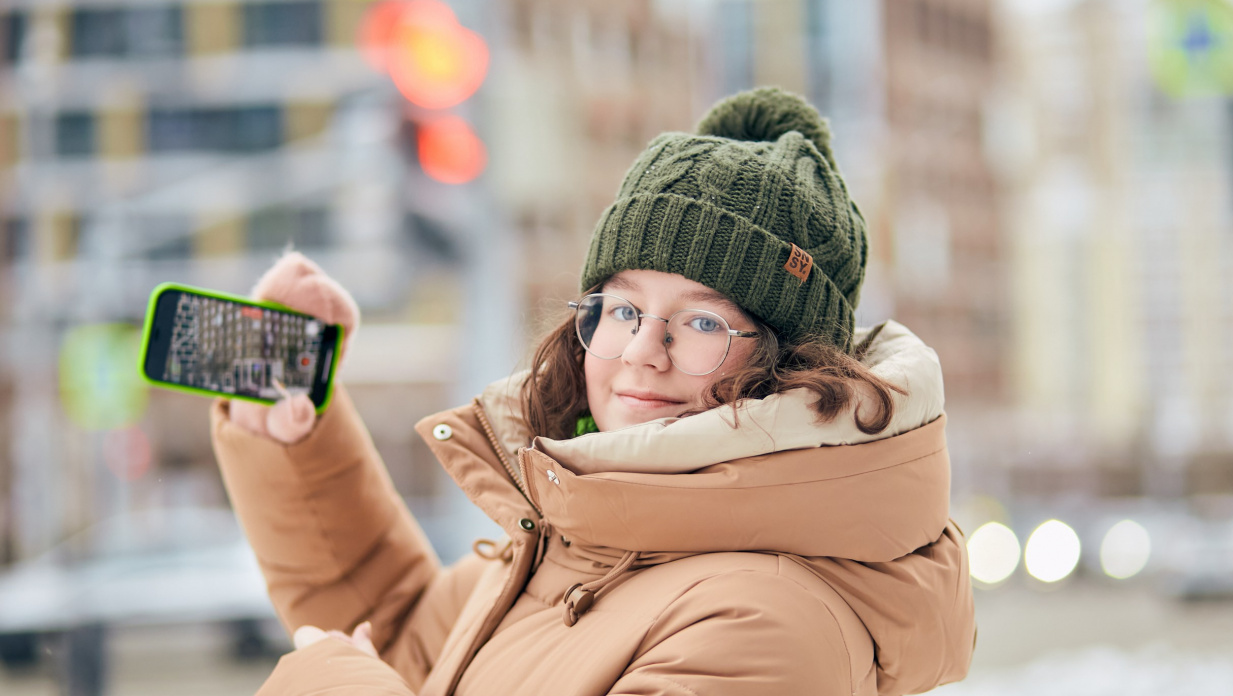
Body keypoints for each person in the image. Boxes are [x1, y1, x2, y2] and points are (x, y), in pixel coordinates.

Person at [210, 87, 975, 696]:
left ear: (795, 365)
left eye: (701, 322)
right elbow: (399, 639)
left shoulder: (768, 626)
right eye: (625, 309)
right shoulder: (577, 540)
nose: (641, 351)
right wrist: (286, 429)